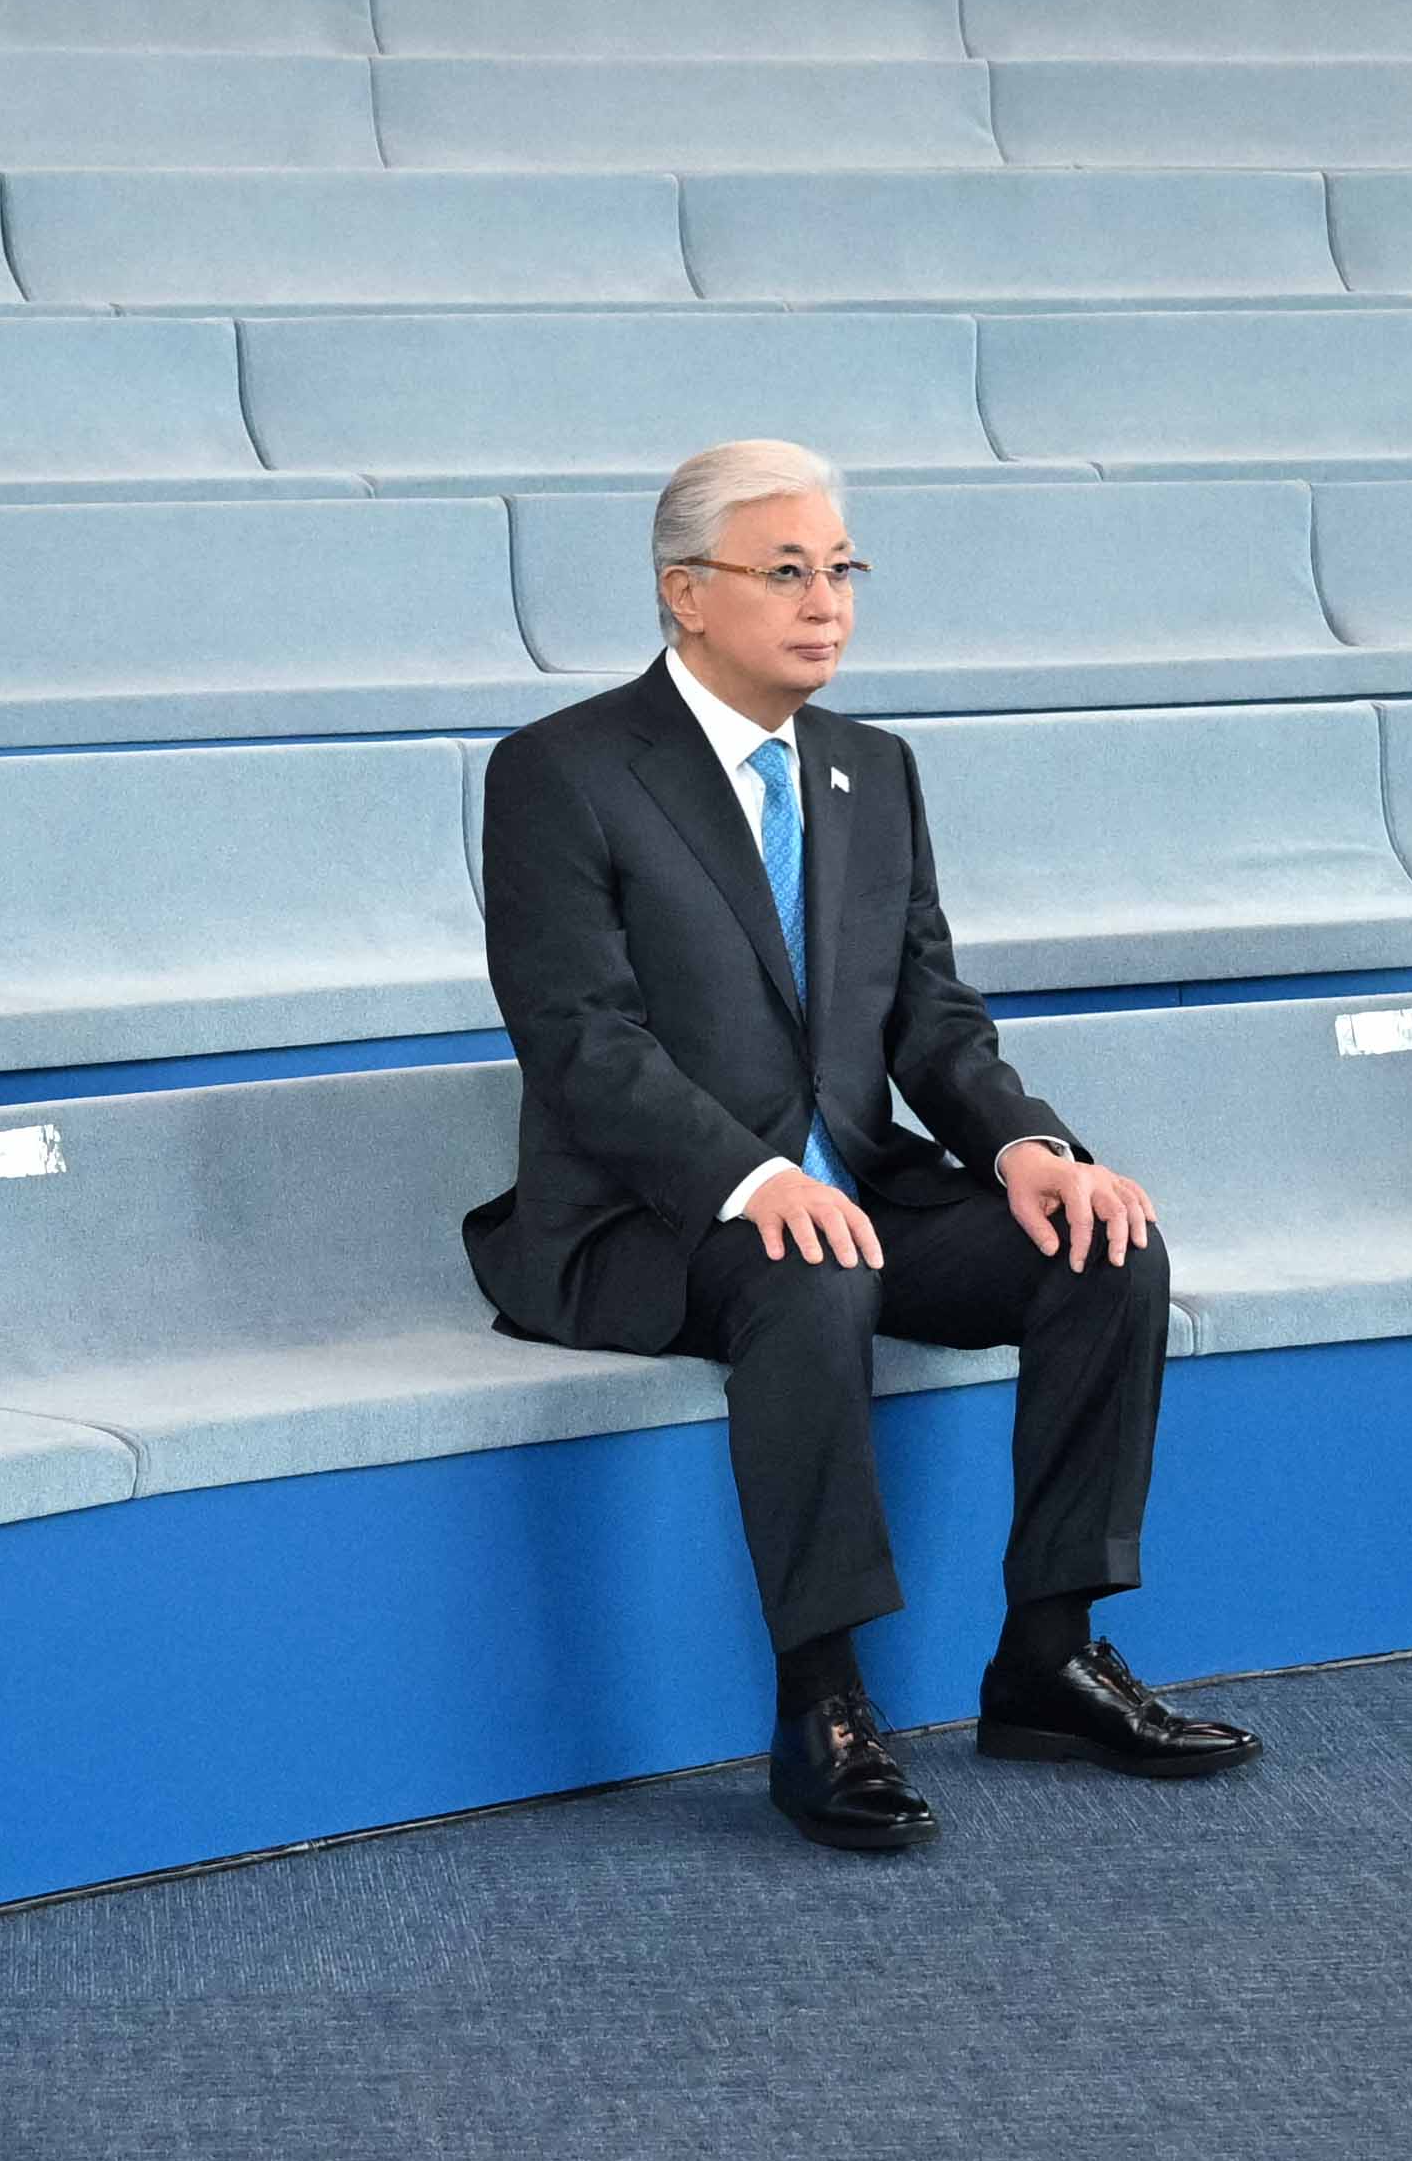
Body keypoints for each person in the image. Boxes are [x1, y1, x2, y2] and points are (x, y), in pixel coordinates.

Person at [464, 442, 1248, 1855]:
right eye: (786, 571)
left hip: (860, 1188)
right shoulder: (561, 771)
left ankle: (1049, 1659)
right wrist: (751, 1177)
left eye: (840, 569)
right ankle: (823, 1700)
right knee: (807, 1268)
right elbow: (582, 1041)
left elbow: (931, 1014)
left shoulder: (870, 769)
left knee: (1104, 1242)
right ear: (684, 593)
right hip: (654, 1218)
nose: (825, 601)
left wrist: (1023, 1144)